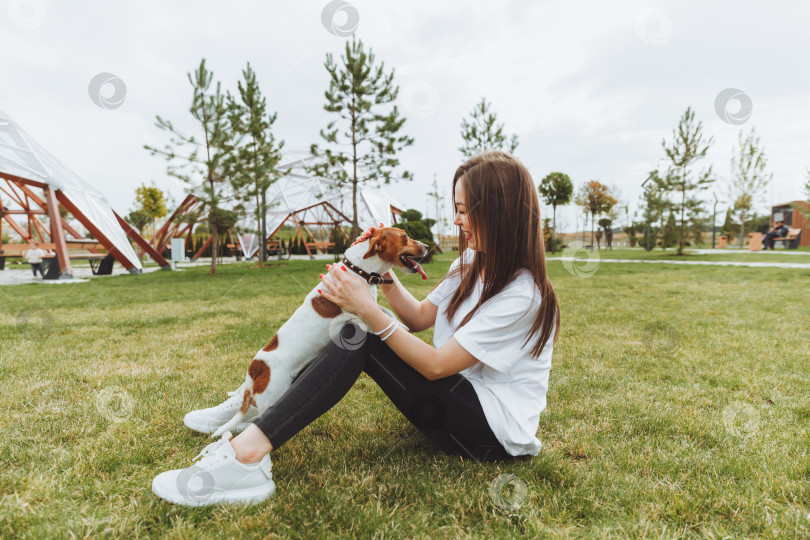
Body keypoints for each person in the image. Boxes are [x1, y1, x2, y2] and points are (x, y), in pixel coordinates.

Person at [151, 151, 560, 506]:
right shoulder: (468, 266)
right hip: (451, 404)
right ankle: (251, 399)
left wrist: (366, 308)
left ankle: (246, 456)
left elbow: (437, 366)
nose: (456, 220)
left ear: (502, 211)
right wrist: (375, 266)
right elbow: (418, 318)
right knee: (351, 332)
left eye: (465, 210)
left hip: (488, 432)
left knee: (359, 335)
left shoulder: (524, 294)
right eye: (457, 207)